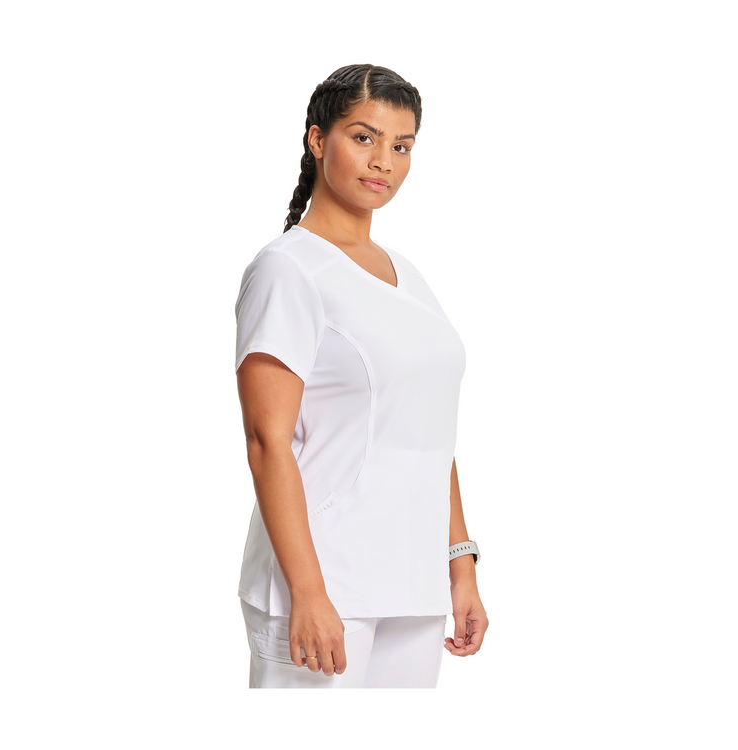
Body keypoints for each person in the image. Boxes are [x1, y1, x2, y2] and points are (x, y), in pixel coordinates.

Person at [234, 64, 488, 688]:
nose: (383, 162)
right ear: (318, 139)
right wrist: (307, 590)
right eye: (364, 137)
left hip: (412, 584)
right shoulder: (288, 269)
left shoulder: (408, 275)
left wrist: (460, 565)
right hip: (325, 584)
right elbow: (267, 441)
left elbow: (428, 432)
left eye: (402, 146)